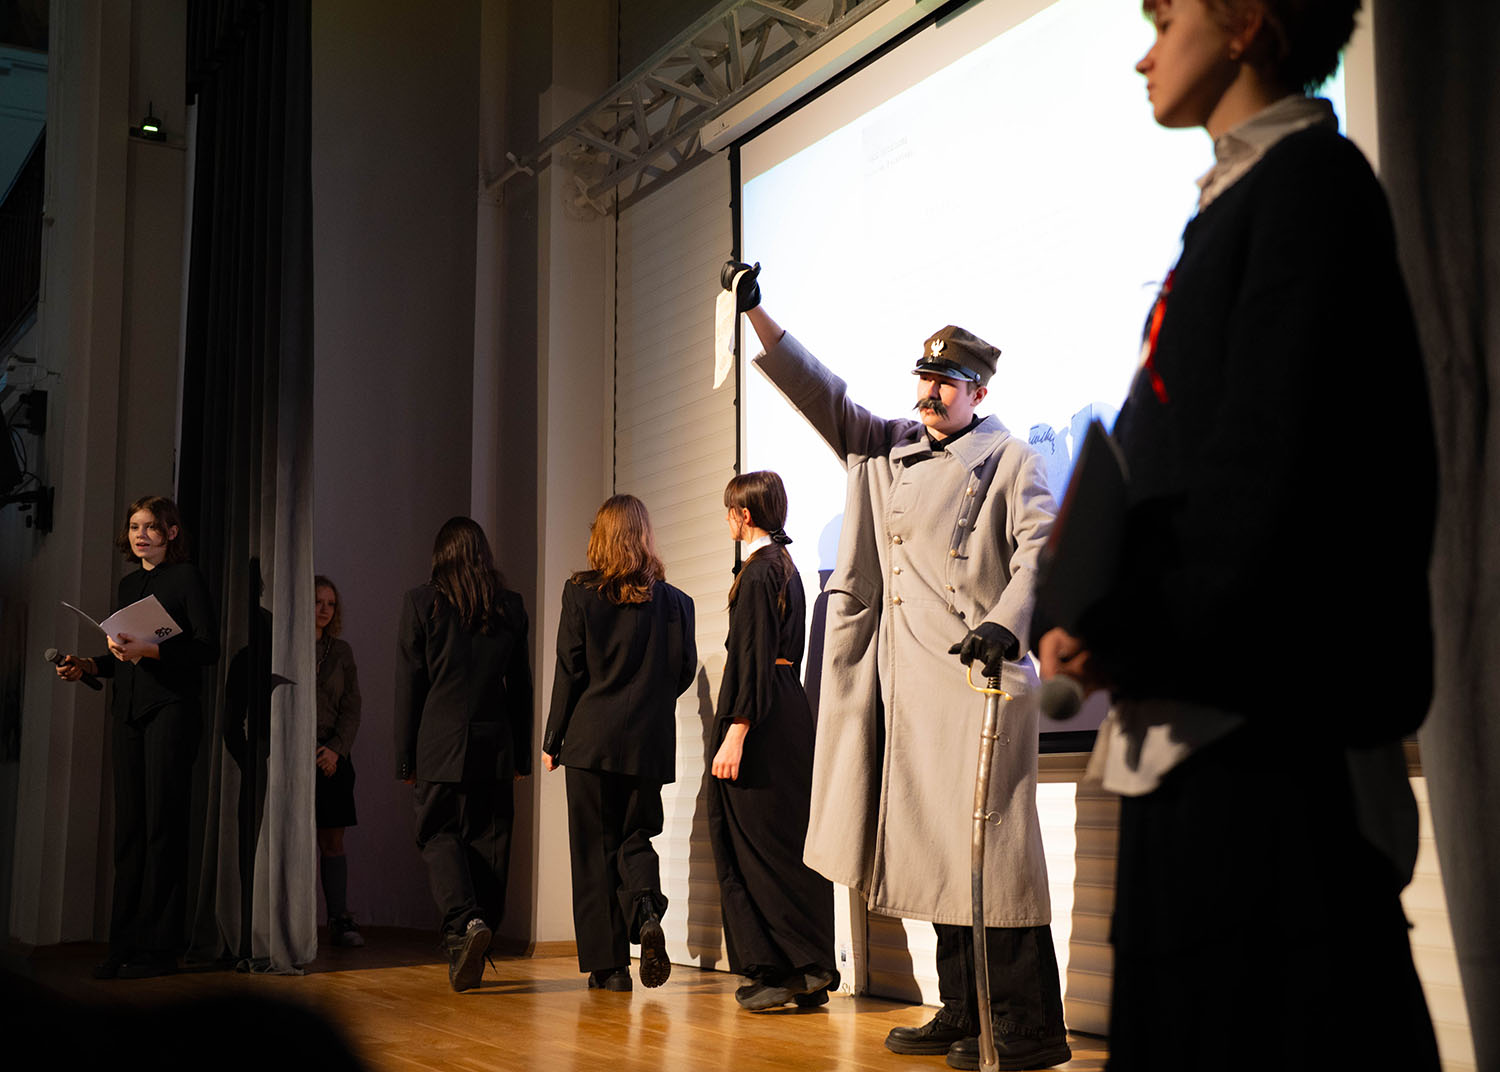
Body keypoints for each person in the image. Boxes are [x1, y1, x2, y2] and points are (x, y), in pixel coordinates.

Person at [1036, 2, 1440, 1069]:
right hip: (1196, 740)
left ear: (1247, 22)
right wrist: (1092, 613)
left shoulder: (1310, 188)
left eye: (1167, 15)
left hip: (1263, 762)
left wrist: (1123, 627)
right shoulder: (1242, 199)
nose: (1145, 52)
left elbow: (1272, 476)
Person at [722, 266, 1069, 1071]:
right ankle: (962, 1009)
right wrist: (758, 316)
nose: (930, 392)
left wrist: (1005, 623)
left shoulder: (1011, 459)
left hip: (980, 684)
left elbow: (1042, 551)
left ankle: (1027, 1027)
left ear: (977, 391)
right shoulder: (886, 448)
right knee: (939, 854)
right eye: (925, 378)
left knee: (997, 859)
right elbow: (822, 395)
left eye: (946, 381)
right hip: (908, 690)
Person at [54, 495, 218, 979]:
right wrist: (89, 665)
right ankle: (123, 946)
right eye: (133, 527)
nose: (140, 535)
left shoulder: (186, 578)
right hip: (127, 713)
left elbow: (207, 649)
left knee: (162, 829)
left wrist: (150, 650)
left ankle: (158, 951)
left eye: (149, 526)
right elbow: (123, 656)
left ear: (171, 532)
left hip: (170, 711)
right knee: (129, 833)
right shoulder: (129, 584)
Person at [542, 494, 697, 992]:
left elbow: (570, 670)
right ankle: (646, 909)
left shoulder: (580, 593)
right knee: (635, 837)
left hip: (590, 742)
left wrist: (552, 738)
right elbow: (682, 673)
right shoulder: (677, 603)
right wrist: (647, 707)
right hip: (648, 744)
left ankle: (609, 970)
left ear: (601, 537)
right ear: (644, 536)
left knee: (593, 851)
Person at [708, 471, 837, 1011]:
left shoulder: (762, 571)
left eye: (730, 510)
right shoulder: (785, 567)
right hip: (784, 710)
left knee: (754, 846)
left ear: (744, 515)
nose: (727, 519)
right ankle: (809, 968)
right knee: (783, 843)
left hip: (759, 719)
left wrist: (736, 732)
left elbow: (754, 658)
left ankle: (780, 971)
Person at [395, 517, 533, 993]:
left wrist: (405, 758)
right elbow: (521, 686)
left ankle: (465, 922)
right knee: (490, 841)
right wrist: (521, 756)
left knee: (437, 833)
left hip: (439, 742)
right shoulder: (510, 606)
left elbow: (410, 686)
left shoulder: (422, 603)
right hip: (495, 744)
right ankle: (475, 936)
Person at [314, 575, 363, 948]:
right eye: (317, 602)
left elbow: (352, 708)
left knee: (333, 840)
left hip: (332, 755)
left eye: (330, 604)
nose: (324, 609)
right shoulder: (286, 646)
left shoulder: (342, 652)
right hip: (294, 753)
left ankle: (338, 918)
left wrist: (335, 750)